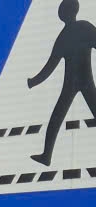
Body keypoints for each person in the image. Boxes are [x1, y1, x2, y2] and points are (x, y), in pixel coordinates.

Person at [28, 0, 96, 166]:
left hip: (74, 82)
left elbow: (49, 66)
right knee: (56, 117)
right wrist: (34, 81)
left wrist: (33, 81)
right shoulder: (83, 28)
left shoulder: (66, 35)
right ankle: (46, 156)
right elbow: (50, 65)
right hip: (81, 81)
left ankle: (46, 156)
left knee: (56, 118)